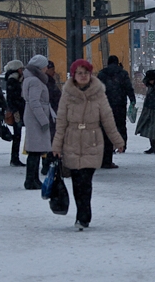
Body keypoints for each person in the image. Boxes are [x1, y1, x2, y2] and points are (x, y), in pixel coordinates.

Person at [51, 59, 125, 230]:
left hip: (92, 141)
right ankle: (80, 214)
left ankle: (83, 217)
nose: (83, 76)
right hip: (72, 141)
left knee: (86, 181)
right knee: (77, 182)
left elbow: (108, 120)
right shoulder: (67, 95)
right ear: (73, 75)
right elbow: (60, 122)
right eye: (79, 73)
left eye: (85, 73)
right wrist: (56, 146)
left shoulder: (99, 94)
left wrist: (118, 141)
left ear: (90, 74)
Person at [97, 55, 135, 166]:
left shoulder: (102, 74)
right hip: (120, 104)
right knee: (120, 125)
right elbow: (128, 87)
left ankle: (108, 152)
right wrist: (132, 99)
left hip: (105, 104)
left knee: (106, 128)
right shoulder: (122, 73)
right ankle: (121, 145)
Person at [21, 54, 52, 190]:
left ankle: (33, 179)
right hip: (36, 118)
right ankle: (31, 180)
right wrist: (44, 120)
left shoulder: (29, 79)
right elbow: (35, 102)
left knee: (35, 150)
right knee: (35, 151)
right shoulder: (35, 81)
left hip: (33, 117)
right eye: (45, 65)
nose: (47, 68)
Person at [41, 60, 62, 175]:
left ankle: (47, 163)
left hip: (50, 113)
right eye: (52, 69)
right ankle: (50, 163)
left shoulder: (46, 82)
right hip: (51, 114)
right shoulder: (47, 83)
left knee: (49, 140)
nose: (54, 72)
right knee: (52, 139)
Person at [4, 60, 26, 167]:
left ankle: (15, 157)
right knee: (17, 135)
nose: (23, 71)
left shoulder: (13, 79)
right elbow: (14, 97)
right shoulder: (13, 80)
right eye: (21, 68)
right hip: (17, 111)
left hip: (17, 110)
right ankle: (14, 158)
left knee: (18, 134)